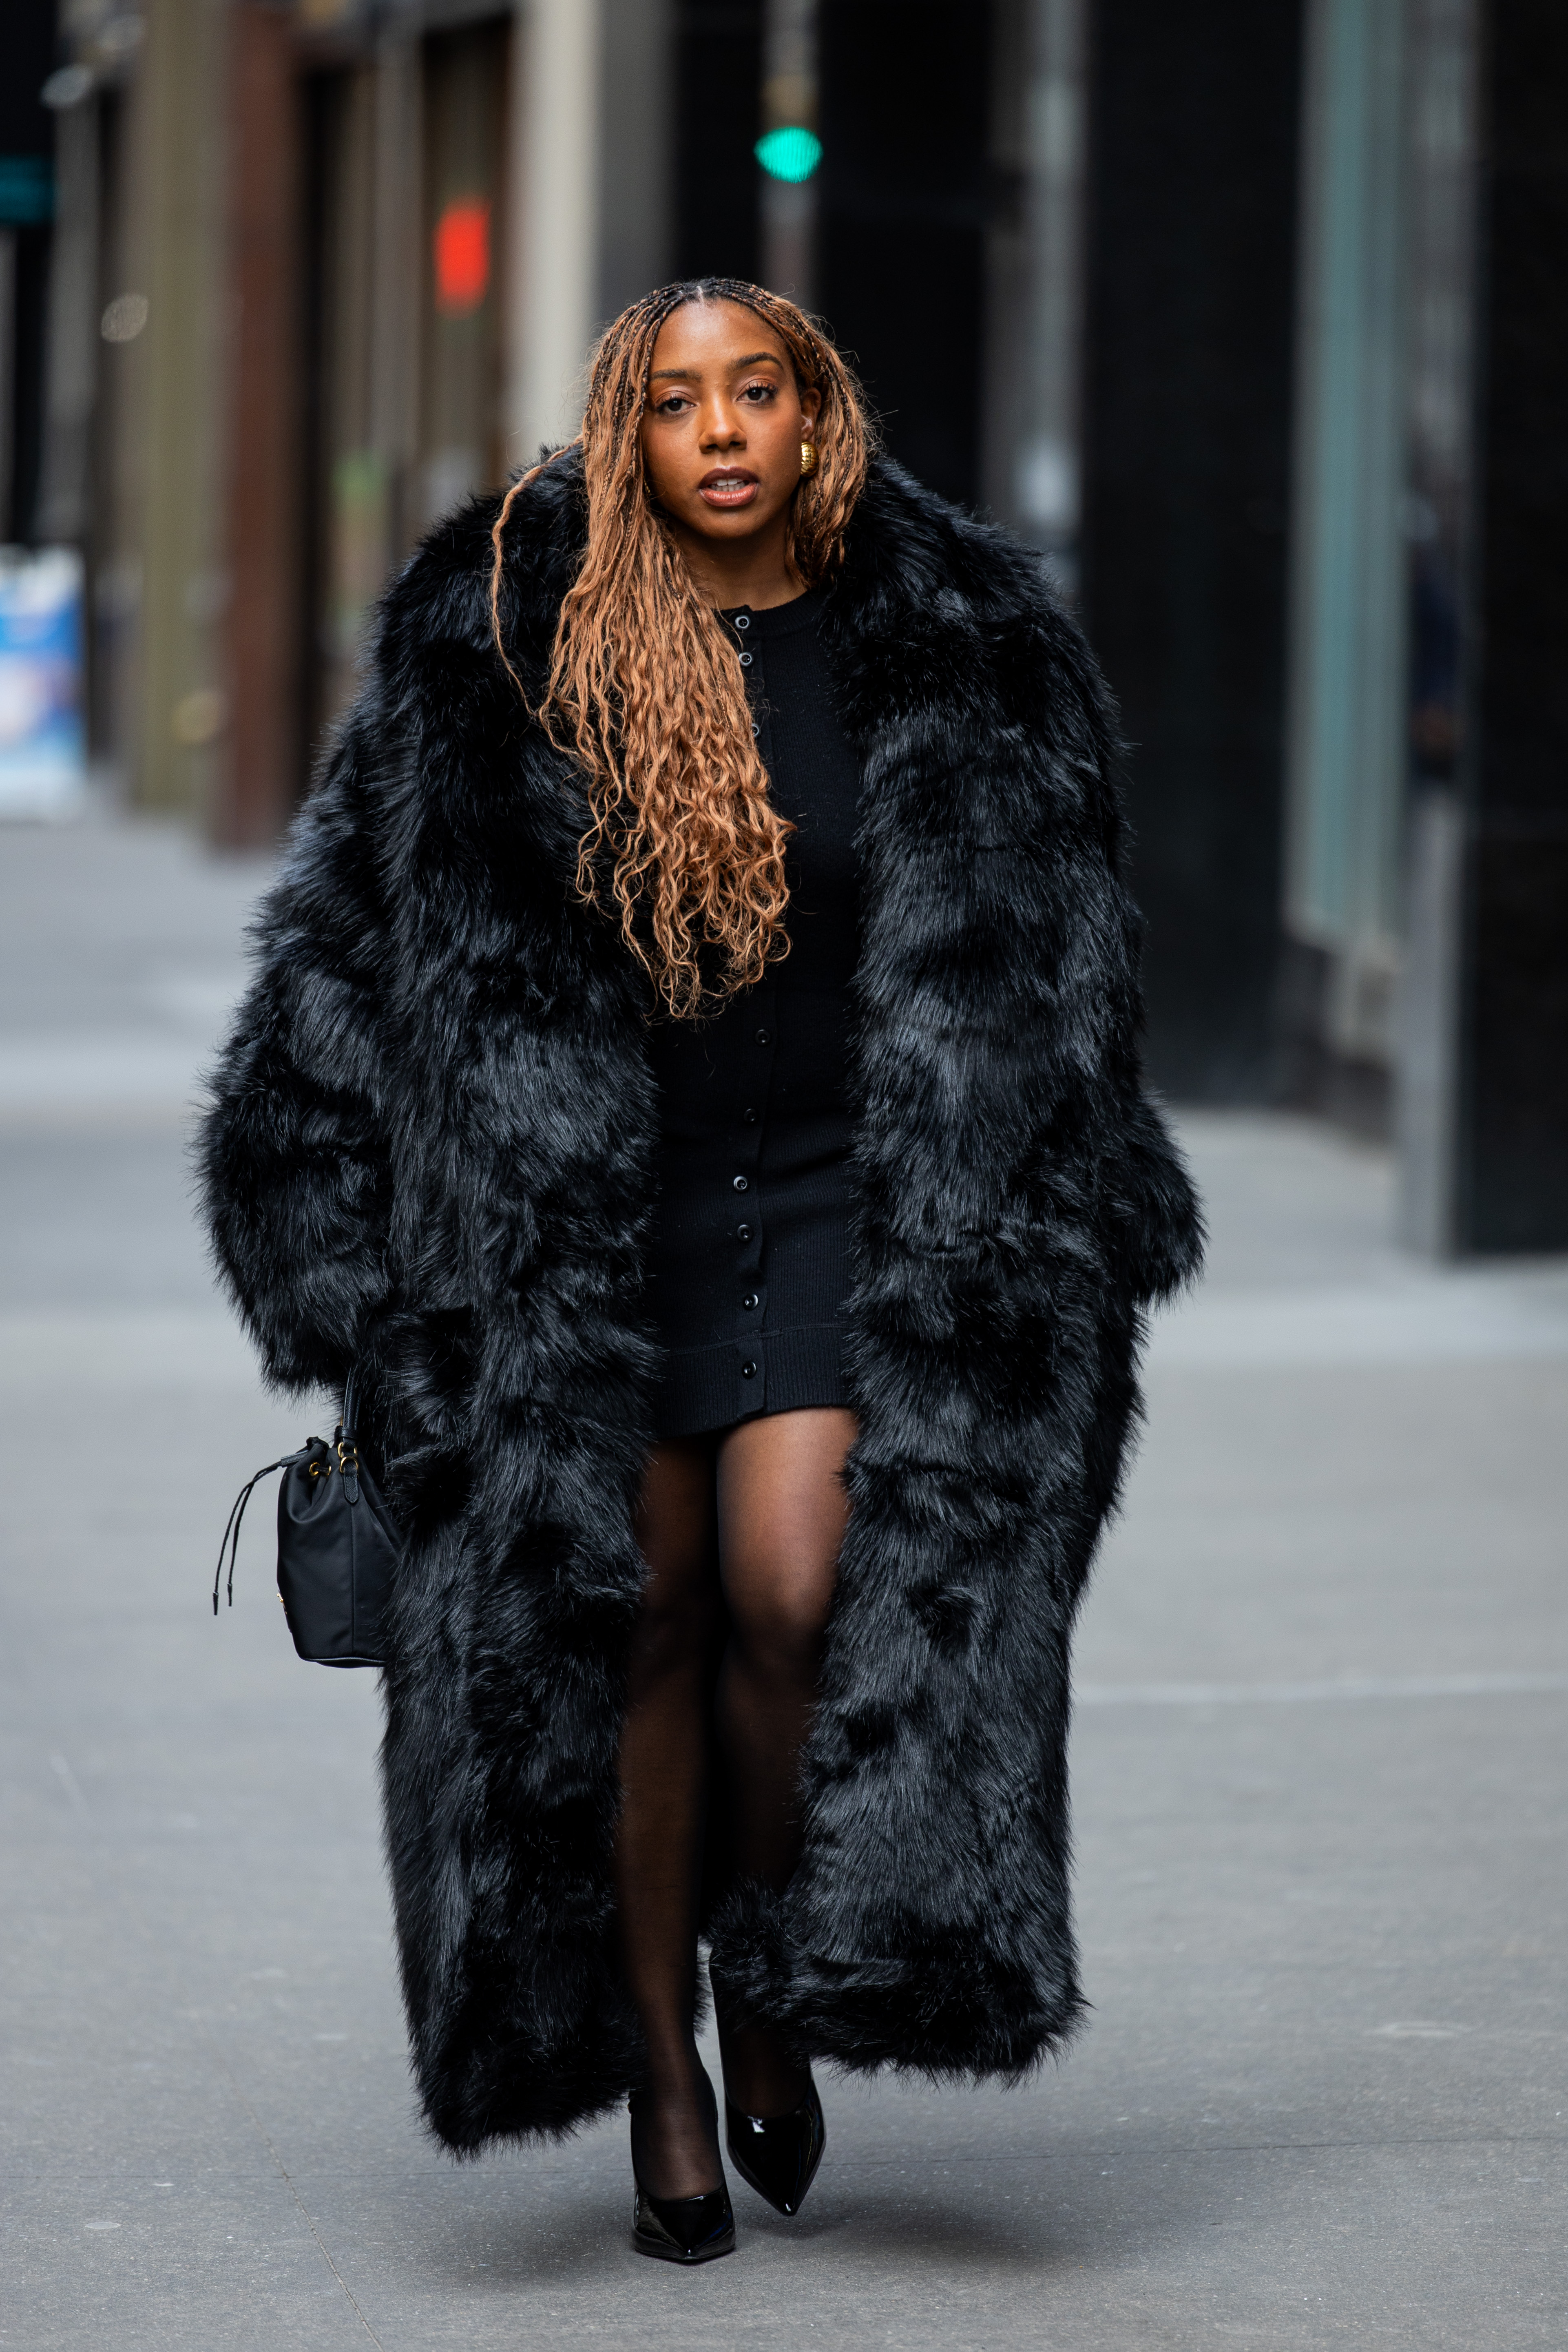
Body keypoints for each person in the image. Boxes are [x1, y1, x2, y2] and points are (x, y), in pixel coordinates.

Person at [200, 277, 1202, 2266]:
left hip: (852, 1190)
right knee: (635, 1625)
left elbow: (1070, 979)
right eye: (679, 401)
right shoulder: (497, 640)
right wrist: (325, 1237)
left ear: (816, 413)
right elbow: (340, 953)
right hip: (590, 1223)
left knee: (795, 1584)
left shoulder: (965, 650)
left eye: (761, 390)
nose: (723, 429)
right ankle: (660, 2061)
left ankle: (771, 1942)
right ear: (626, 432)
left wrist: (1070, 1215)